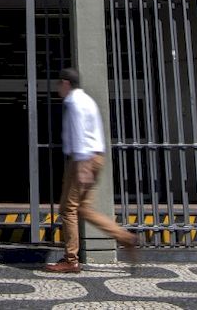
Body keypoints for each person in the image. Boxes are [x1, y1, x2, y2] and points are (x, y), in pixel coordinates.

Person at [45, 68, 137, 273]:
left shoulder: (74, 103)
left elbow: (79, 134)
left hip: (82, 159)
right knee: (84, 209)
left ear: (66, 83)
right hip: (95, 157)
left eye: (59, 84)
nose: (58, 89)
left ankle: (71, 259)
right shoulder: (87, 100)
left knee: (67, 209)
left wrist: (83, 167)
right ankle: (125, 238)